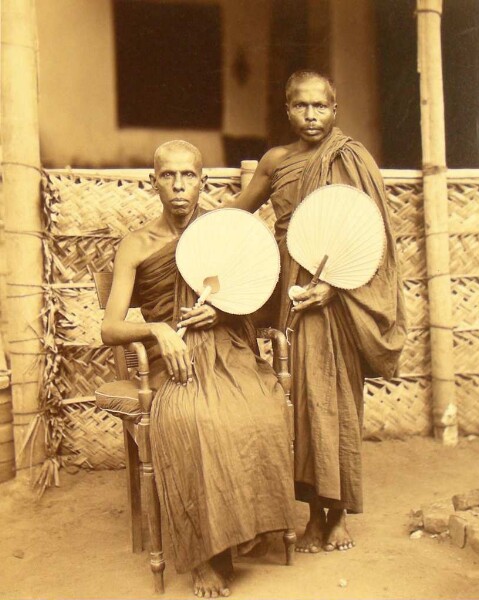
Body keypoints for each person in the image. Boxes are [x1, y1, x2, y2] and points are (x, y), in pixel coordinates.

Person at [101, 140, 295, 597]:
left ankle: (243, 528)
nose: (179, 185)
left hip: (227, 347)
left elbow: (261, 308)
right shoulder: (137, 244)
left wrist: (223, 315)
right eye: (168, 176)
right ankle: (207, 556)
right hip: (175, 357)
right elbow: (109, 328)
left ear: (202, 181)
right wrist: (156, 331)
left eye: (188, 175)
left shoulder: (219, 232)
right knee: (192, 419)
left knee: (260, 408)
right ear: (154, 183)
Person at [234, 71, 406, 554]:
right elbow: (237, 213)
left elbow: (374, 238)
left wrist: (332, 285)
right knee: (307, 403)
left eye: (321, 107)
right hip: (293, 289)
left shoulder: (351, 157)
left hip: (341, 295)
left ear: (335, 110)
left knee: (337, 400)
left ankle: (338, 517)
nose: (312, 116)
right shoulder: (275, 161)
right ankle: (313, 514)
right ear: (286, 109)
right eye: (301, 106)